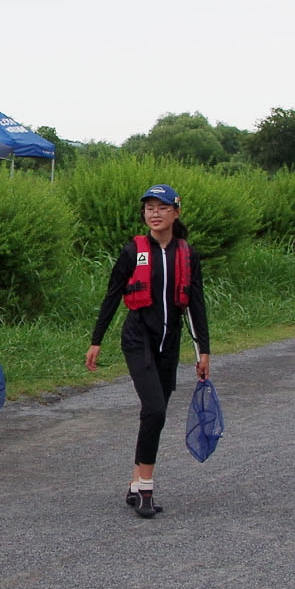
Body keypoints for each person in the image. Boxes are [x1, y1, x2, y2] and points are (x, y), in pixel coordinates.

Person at [85, 184, 212, 519]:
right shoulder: (134, 251)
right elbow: (112, 296)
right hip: (137, 339)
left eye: (162, 207)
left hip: (169, 344)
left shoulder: (187, 253)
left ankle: (134, 480)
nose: (154, 214)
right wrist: (96, 341)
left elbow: (195, 305)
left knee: (155, 413)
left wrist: (203, 351)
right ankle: (146, 488)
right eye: (149, 208)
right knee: (154, 409)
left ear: (176, 212)